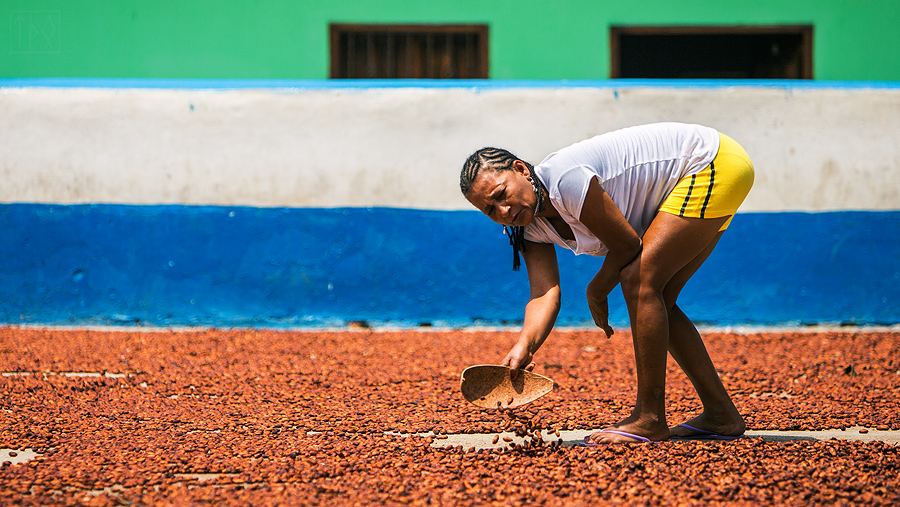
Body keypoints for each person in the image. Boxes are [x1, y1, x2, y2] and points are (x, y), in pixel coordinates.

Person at [459, 122, 754, 444]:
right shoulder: (527, 228)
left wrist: (596, 291)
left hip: (710, 162)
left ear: (521, 170)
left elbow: (627, 245)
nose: (503, 210)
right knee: (659, 297)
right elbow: (544, 292)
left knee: (639, 280)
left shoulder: (563, 178)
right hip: (700, 176)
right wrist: (524, 346)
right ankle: (721, 415)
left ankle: (649, 418)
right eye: (490, 210)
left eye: (502, 194)